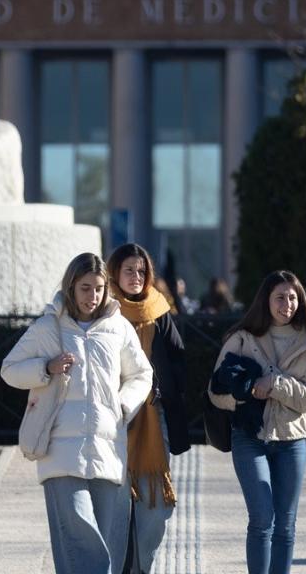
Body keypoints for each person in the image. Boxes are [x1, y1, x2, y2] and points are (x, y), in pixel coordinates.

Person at [2, 253, 154, 574]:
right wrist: (46, 367)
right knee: (82, 539)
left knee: (98, 546)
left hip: (108, 452)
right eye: (85, 288)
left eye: (99, 289)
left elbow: (142, 374)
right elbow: (10, 369)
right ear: (71, 286)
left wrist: (124, 406)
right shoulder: (48, 327)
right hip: (59, 454)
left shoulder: (118, 327)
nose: (92, 296)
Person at [207, 270, 306, 574]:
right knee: (261, 519)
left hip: (292, 441)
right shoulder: (241, 338)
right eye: (280, 297)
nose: (287, 303)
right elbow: (215, 392)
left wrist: (275, 385)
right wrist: (244, 398)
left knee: (285, 522)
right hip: (249, 438)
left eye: (293, 297)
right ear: (266, 301)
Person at [105, 243, 189, 574]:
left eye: (142, 271)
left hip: (155, 418)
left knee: (153, 509)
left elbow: (178, 357)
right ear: (114, 272)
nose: (137, 277)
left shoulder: (158, 308)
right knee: (116, 506)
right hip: (112, 420)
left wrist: (164, 392)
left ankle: (142, 568)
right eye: (129, 270)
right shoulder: (104, 311)